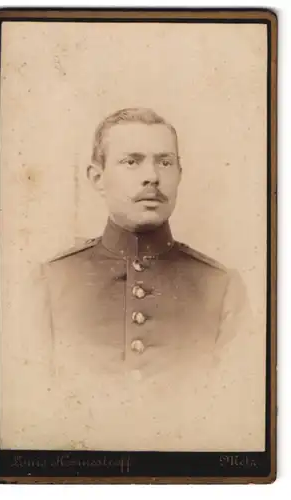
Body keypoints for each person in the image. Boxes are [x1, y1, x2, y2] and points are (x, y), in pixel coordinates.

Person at [41, 108, 256, 451]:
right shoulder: (51, 282)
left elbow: (235, 415)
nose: (152, 176)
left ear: (180, 174)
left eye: (165, 162)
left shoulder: (221, 286)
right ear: (97, 177)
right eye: (132, 161)